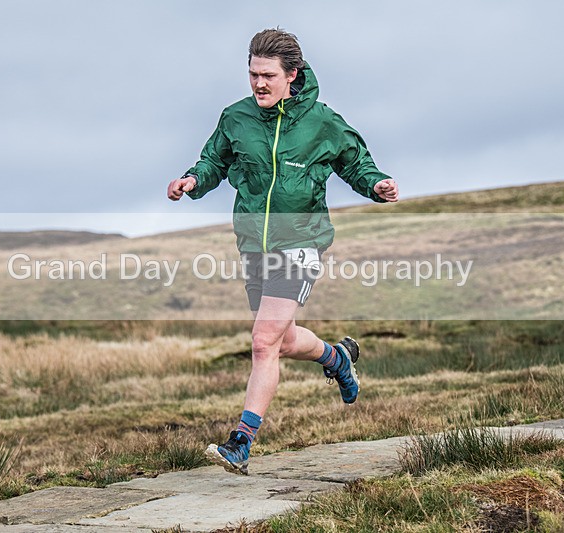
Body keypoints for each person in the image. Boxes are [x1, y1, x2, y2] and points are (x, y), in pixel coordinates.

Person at [166, 28, 398, 475]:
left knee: (262, 341)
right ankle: (337, 357)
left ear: (293, 75)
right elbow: (214, 161)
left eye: (268, 75)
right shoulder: (236, 118)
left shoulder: (323, 122)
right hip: (255, 243)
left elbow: (356, 163)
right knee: (283, 340)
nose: (258, 84)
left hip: (302, 241)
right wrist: (192, 181)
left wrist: (376, 184)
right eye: (252, 74)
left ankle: (241, 441)